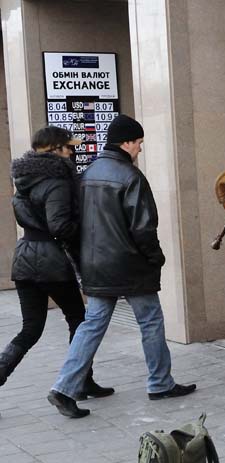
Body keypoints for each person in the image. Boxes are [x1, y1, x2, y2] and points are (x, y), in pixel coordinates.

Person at [47, 114, 195, 418]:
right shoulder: (130, 177)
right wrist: (155, 257)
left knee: (92, 325)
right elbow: (143, 228)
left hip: (96, 265)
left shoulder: (87, 175)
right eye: (139, 142)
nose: (140, 148)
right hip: (131, 265)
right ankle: (160, 383)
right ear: (126, 142)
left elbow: (76, 223)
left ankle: (63, 387)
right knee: (151, 321)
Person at [2, 127, 114, 407]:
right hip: (50, 262)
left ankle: (83, 381)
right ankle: (77, 383)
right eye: (67, 147)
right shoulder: (56, 181)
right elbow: (60, 225)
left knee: (31, 329)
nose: (72, 151)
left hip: (26, 257)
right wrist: (86, 231)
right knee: (79, 320)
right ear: (54, 150)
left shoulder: (25, 178)